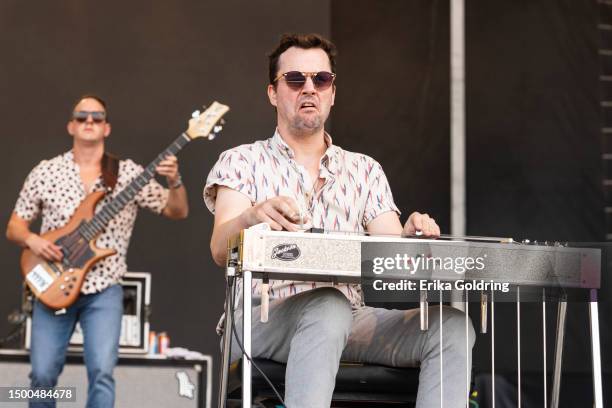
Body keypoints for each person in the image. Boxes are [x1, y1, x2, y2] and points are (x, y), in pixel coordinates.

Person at [204, 34, 475, 407]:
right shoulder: (241, 161)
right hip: (258, 320)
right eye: (296, 80)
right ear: (273, 92)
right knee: (328, 305)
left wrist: (411, 235)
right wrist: (250, 217)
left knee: (452, 326)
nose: (309, 89)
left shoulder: (364, 170)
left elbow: (391, 250)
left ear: (332, 93)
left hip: (350, 318)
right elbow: (220, 249)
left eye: (321, 80)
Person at [6, 94, 189, 408]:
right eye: (81, 116)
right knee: (42, 375)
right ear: (71, 125)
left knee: (102, 372)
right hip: (52, 285)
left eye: (97, 116)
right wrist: (34, 242)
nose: (89, 121)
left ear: (107, 127)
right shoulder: (46, 171)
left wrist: (175, 180)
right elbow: (14, 227)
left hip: (104, 289)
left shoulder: (128, 173)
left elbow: (177, 211)